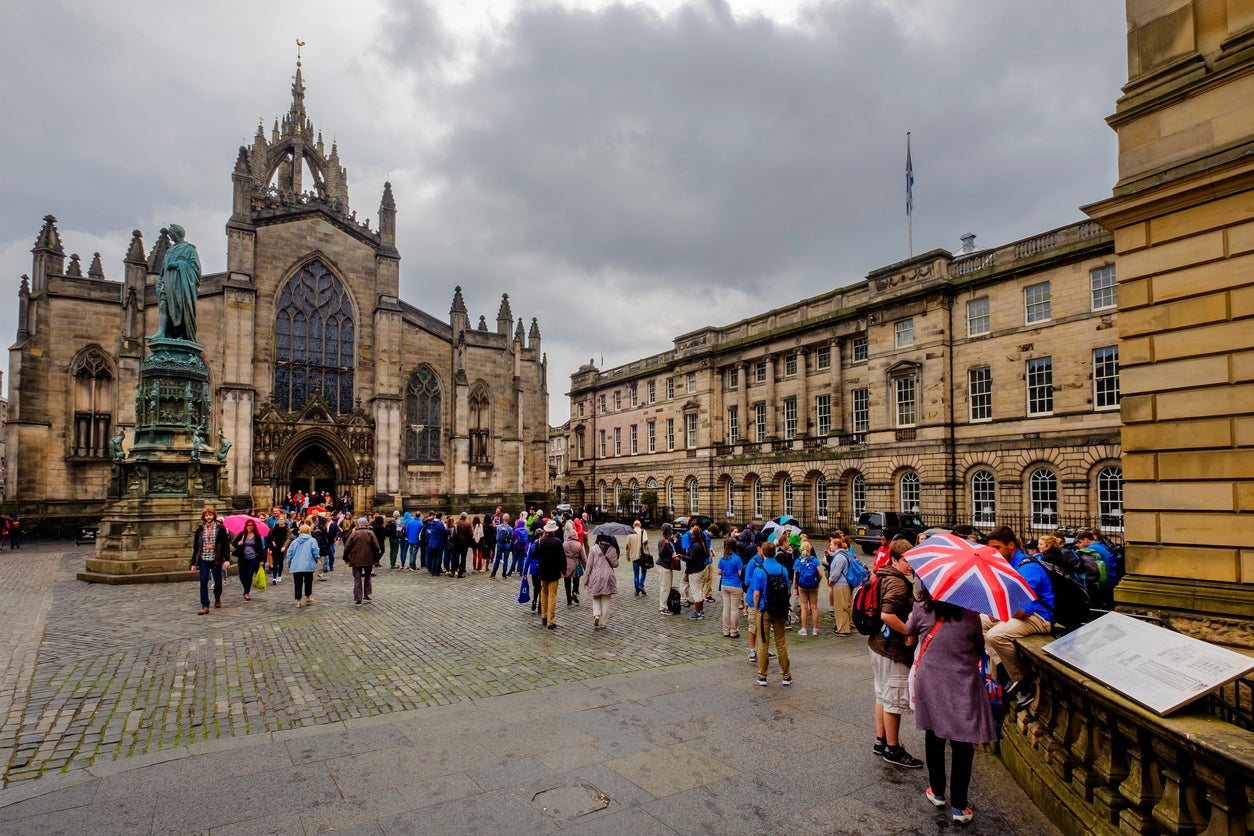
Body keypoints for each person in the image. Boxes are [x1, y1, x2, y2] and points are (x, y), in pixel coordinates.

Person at [906, 587, 999, 826]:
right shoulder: (970, 614)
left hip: (930, 682)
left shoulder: (921, 608)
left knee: (933, 735)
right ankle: (959, 805)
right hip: (962, 682)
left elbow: (909, 632)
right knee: (963, 743)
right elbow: (979, 647)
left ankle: (937, 792)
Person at [983, 526, 1054, 709]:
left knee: (995, 635)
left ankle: (1023, 679)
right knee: (978, 622)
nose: (994, 553)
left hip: (1040, 617)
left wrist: (999, 613)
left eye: (997, 548)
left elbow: (1025, 609)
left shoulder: (1027, 567)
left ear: (1011, 545)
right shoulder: (1010, 565)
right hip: (1022, 614)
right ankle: (1003, 669)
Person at [870, 537, 923, 768]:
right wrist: (908, 630)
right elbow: (887, 615)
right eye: (906, 560)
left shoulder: (883, 575)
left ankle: (880, 741)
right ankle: (893, 749)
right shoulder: (898, 583)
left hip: (878, 644)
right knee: (892, 700)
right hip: (891, 649)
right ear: (894, 559)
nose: (910, 564)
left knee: (882, 695)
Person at [747, 540, 791, 686]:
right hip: (779, 609)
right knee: (781, 644)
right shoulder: (783, 569)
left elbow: (756, 593)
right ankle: (786, 676)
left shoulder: (759, 570)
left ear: (763, 553)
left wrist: (755, 607)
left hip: (764, 609)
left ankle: (762, 676)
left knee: (763, 644)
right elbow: (788, 591)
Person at [151, 223, 201, 342]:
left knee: (182, 308)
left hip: (182, 285)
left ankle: (184, 335)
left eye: (171, 233)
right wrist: (159, 284)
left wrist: (179, 264)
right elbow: (163, 270)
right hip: (168, 284)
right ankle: (161, 332)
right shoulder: (170, 250)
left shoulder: (189, 249)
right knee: (163, 306)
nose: (170, 236)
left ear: (176, 234)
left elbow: (196, 269)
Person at [188, 506, 230, 614]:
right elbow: (196, 548)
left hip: (216, 559)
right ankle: (205, 605)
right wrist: (193, 563)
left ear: (214, 516)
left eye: (210, 515)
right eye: (206, 515)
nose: (208, 517)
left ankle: (217, 597)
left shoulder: (220, 529)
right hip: (204, 560)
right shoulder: (200, 530)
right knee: (203, 582)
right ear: (204, 517)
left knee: (218, 582)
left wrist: (227, 559)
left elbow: (226, 545)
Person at [534, 520, 566, 629]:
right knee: (552, 595)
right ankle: (550, 621)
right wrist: (564, 570)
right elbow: (562, 558)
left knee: (544, 593)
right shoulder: (558, 542)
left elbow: (534, 555)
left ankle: (544, 615)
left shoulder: (540, 541)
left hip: (543, 571)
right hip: (554, 571)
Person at [585, 532, 620, 629]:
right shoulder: (612, 549)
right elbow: (615, 564)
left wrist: (586, 579)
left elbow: (589, 565)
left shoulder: (594, 549)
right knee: (606, 599)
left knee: (596, 596)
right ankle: (603, 623)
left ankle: (596, 614)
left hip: (596, 575)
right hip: (608, 576)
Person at [344, 516, 382, 605]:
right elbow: (376, 547)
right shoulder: (370, 533)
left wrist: (346, 558)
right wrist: (376, 558)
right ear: (366, 524)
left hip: (355, 559)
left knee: (357, 578)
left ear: (358, 524)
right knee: (367, 577)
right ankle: (366, 594)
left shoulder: (353, 534)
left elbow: (347, 547)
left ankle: (358, 597)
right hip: (368, 559)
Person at [285, 522, 320, 608]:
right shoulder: (312, 541)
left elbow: (289, 553)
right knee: (308, 582)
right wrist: (316, 559)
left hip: (296, 565)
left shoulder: (295, 541)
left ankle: (298, 601)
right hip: (308, 565)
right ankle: (308, 596)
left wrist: (289, 562)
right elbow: (315, 552)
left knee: (298, 583)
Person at [793, 537, 822, 636]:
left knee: (804, 608)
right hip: (813, 586)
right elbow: (821, 574)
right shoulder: (814, 560)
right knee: (814, 608)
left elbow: (795, 576)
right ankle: (815, 629)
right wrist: (817, 582)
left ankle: (804, 629)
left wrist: (795, 588)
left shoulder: (798, 561)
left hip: (802, 586)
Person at [825, 533, 854, 636]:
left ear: (836, 546)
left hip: (840, 584)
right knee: (845, 606)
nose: (830, 546)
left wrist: (831, 580)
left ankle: (842, 629)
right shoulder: (844, 554)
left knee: (841, 607)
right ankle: (846, 626)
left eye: (832, 544)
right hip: (844, 584)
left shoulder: (839, 557)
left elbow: (836, 573)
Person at [231, 519, 266, 602]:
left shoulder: (257, 536)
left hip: (253, 558)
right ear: (246, 526)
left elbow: (260, 549)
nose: (250, 526)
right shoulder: (242, 534)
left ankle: (247, 592)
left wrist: (261, 560)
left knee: (249, 575)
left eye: (251, 525)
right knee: (242, 576)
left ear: (254, 526)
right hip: (243, 558)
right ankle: (245, 588)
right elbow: (234, 543)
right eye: (248, 525)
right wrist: (238, 543)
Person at [716, 537, 744, 638]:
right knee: (734, 609)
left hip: (724, 584)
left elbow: (719, 572)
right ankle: (733, 631)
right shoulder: (737, 558)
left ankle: (726, 630)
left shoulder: (723, 558)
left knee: (726, 608)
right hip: (735, 584)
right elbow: (740, 573)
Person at [684, 523, 709, 620]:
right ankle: (701, 611)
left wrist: (682, 557)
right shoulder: (702, 545)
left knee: (696, 592)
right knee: (699, 590)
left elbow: (691, 559)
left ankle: (698, 612)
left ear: (694, 535)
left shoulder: (695, 546)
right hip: (701, 569)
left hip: (695, 570)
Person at [562, 524, 586, 605]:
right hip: (576, 565)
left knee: (567, 582)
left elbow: (561, 556)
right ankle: (575, 592)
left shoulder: (564, 544)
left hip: (566, 565)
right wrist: (586, 568)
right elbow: (583, 558)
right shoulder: (579, 545)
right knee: (576, 580)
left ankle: (568, 598)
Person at [626, 520, 650, 596]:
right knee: (644, 571)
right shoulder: (643, 531)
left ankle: (637, 590)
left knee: (636, 573)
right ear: (640, 525)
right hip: (643, 556)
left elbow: (627, 546)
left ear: (634, 525)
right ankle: (641, 584)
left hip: (634, 556)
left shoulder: (630, 533)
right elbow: (645, 542)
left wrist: (628, 556)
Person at [267, 514, 289, 585]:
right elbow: (271, 536)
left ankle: (279, 575)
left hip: (282, 547)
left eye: (282, 519)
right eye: (280, 519)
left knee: (281, 561)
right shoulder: (274, 528)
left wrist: (284, 547)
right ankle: (274, 577)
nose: (281, 521)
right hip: (275, 547)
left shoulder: (287, 528)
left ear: (284, 520)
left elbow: (288, 539)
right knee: (275, 562)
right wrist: (272, 542)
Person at [491, 513, 513, 578]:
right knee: (505, 560)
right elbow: (511, 537)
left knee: (497, 559)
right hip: (507, 545)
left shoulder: (498, 527)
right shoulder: (510, 528)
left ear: (503, 518)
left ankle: (493, 573)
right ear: (508, 519)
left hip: (500, 544)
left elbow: (497, 535)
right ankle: (504, 574)